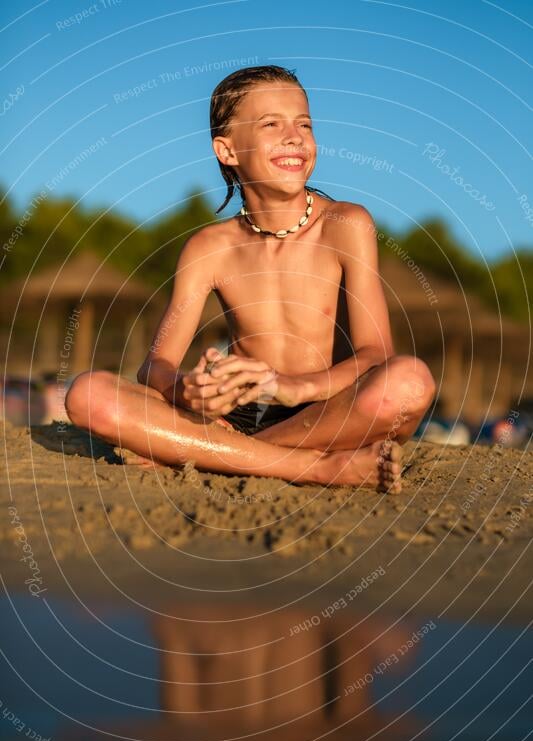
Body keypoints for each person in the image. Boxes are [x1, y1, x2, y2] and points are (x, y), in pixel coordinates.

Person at [65, 65, 436, 491]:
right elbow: (155, 366)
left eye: (304, 123)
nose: (294, 136)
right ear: (227, 151)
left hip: (323, 408)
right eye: (270, 124)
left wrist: (296, 387)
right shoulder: (209, 248)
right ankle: (314, 467)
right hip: (231, 413)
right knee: (86, 394)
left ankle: (209, 453)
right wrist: (186, 390)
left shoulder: (346, 225)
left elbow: (376, 354)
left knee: (409, 381)